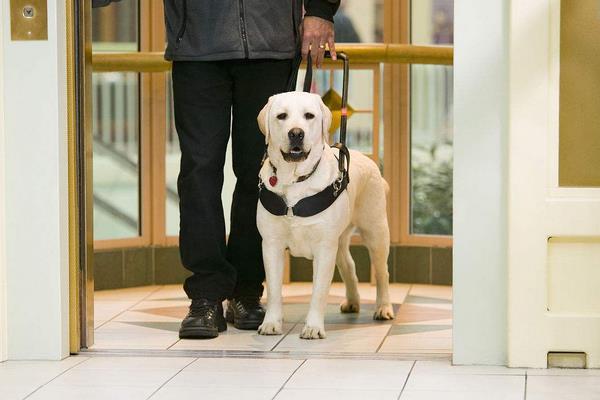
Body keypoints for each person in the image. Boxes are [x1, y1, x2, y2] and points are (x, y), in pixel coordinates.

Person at [164, 1, 341, 339]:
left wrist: (320, 9)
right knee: (198, 172)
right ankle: (206, 295)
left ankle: (247, 289)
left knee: (257, 173)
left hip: (270, 46)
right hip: (198, 47)